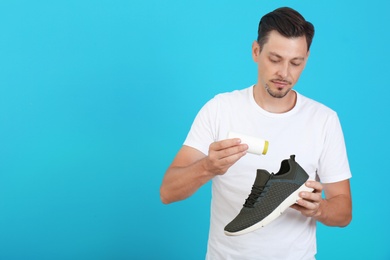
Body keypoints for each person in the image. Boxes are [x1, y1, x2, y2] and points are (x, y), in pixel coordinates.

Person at [160, 6, 352, 260]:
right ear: (255, 51)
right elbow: (168, 192)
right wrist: (208, 167)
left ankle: (285, 180)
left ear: (306, 59)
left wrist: (320, 208)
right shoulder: (219, 109)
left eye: (296, 63)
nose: (284, 73)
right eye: (275, 59)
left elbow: (344, 211)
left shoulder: (324, 120)